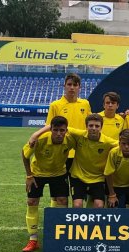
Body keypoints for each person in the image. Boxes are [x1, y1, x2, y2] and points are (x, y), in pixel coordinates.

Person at [21, 116, 74, 252]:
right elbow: (25, 154)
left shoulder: (70, 139)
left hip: (59, 173)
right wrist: (29, 175)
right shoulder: (41, 140)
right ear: (50, 130)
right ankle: (33, 240)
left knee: (62, 201)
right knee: (32, 202)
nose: (58, 133)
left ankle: (60, 236)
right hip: (38, 174)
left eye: (61, 130)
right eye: (55, 130)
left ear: (66, 130)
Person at [44, 73, 92, 207]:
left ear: (79, 88)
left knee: (79, 190)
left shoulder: (85, 104)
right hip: (61, 152)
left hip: (80, 153)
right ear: (64, 86)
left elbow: (91, 125)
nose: (72, 88)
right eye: (69, 84)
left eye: (75, 85)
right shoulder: (55, 105)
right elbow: (49, 127)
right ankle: (57, 219)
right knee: (59, 191)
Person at [69, 113, 118, 209]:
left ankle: (94, 224)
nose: (94, 128)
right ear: (86, 127)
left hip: (98, 178)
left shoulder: (107, 142)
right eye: (91, 125)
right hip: (78, 176)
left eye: (97, 126)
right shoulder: (80, 136)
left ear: (101, 127)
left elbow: (125, 144)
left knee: (99, 205)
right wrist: (35, 135)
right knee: (77, 205)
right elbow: (58, 126)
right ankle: (79, 224)